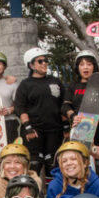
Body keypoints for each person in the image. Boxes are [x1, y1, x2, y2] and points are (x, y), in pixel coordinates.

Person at [14, 46, 67, 176]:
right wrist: (28, 127)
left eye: (46, 60)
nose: (44, 63)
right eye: (40, 61)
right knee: (35, 163)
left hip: (54, 130)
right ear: (31, 65)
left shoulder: (55, 81)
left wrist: (66, 127)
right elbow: (20, 107)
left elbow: (63, 105)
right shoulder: (26, 84)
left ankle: (52, 194)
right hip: (34, 130)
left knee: (52, 164)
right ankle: (32, 194)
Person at [63, 50, 99, 180]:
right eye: (82, 64)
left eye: (89, 64)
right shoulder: (74, 86)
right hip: (80, 127)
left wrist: (98, 116)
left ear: (94, 66)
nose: (85, 67)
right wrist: (73, 116)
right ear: (77, 67)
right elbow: (65, 106)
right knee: (81, 159)